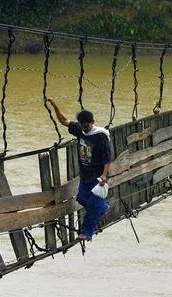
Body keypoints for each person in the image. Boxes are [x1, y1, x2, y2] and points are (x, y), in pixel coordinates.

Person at [48, 99, 111, 241]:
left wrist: (103, 176)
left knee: (93, 205)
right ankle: (103, 208)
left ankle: (86, 232)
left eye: (87, 126)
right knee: (82, 199)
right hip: (85, 175)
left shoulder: (101, 136)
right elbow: (64, 121)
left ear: (93, 121)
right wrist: (55, 106)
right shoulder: (80, 130)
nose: (85, 129)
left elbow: (107, 159)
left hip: (97, 176)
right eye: (82, 126)